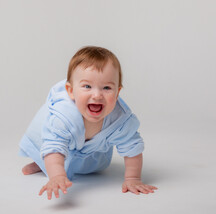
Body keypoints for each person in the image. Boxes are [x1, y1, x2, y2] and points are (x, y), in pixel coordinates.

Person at [19, 46, 157, 200]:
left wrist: (133, 179)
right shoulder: (63, 116)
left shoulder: (119, 119)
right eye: (87, 86)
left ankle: (54, 166)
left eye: (106, 88)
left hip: (92, 156)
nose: (97, 95)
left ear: (117, 93)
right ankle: (44, 164)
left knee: (89, 166)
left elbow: (132, 148)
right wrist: (57, 177)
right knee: (52, 154)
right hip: (55, 143)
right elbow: (54, 146)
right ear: (71, 91)